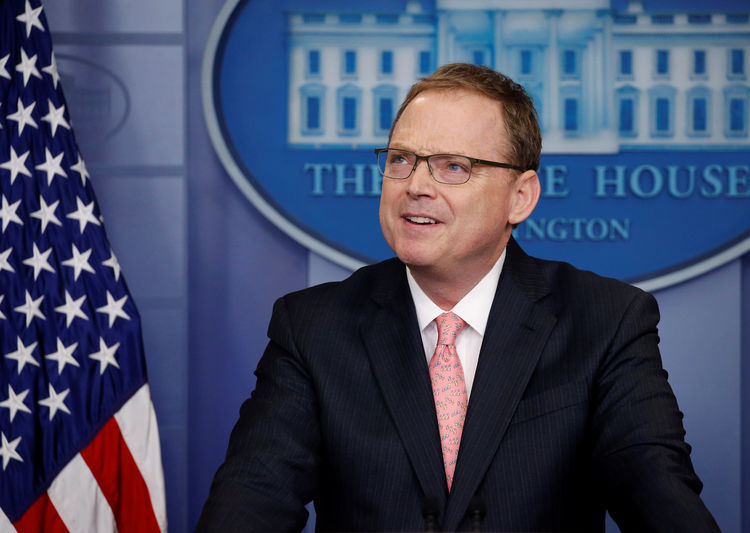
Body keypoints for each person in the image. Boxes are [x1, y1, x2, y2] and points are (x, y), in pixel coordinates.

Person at [196, 63, 720, 532]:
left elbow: (657, 495)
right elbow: (254, 498)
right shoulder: (313, 326)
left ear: (521, 197)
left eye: (452, 166)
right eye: (402, 159)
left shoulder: (604, 321)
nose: (415, 186)